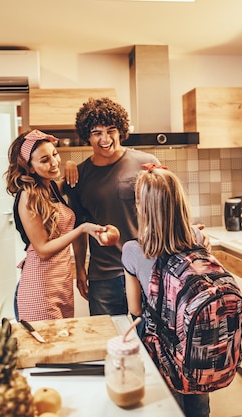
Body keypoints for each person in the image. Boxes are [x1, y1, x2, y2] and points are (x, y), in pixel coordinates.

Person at [121, 164, 211, 417]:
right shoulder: (196, 236)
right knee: (198, 402)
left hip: (160, 344)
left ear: (142, 207)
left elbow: (135, 308)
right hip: (194, 338)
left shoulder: (133, 250)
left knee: (168, 405)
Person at [64, 97, 161, 316]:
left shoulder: (146, 163)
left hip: (146, 269)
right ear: (87, 135)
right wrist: (80, 268)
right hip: (103, 277)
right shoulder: (80, 176)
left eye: (111, 130)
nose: (105, 139)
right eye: (97, 133)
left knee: (149, 341)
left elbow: (166, 209)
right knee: (108, 341)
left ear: (121, 131)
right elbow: (79, 227)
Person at [5, 129, 105, 321]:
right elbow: (42, 249)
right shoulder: (28, 196)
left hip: (60, 284)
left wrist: (70, 163)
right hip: (40, 289)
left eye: (55, 154)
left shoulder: (50, 187)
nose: (53, 163)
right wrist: (82, 229)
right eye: (44, 160)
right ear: (30, 167)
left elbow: (68, 181)